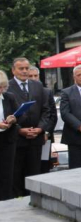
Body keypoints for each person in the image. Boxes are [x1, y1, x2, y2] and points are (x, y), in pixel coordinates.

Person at [8, 57, 51, 197]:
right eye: (21, 68)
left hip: (36, 138)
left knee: (34, 173)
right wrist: (19, 129)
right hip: (17, 138)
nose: (25, 71)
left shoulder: (37, 85)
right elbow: (6, 112)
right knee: (16, 173)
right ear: (13, 70)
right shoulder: (7, 87)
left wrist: (40, 128)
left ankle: (33, 199)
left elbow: (46, 110)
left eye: (27, 68)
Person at [27, 66, 57, 174]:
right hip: (27, 136)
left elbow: (52, 115)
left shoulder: (46, 92)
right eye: (30, 76)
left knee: (44, 166)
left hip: (44, 137)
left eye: (36, 76)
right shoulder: (23, 92)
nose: (34, 78)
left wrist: (46, 132)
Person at [0, 70, 19, 201]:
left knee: (7, 173)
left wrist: (13, 119)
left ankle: (6, 200)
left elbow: (19, 115)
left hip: (7, 139)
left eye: (3, 86)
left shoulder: (9, 97)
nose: (1, 89)